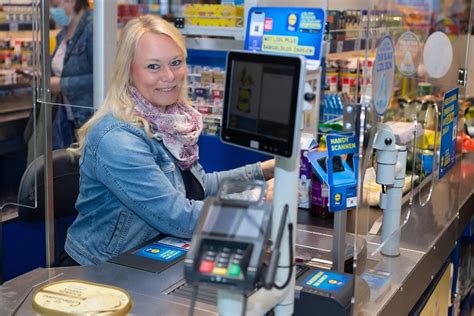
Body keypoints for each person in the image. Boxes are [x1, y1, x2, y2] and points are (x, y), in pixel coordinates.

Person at [61, 15, 274, 266]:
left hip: (150, 258)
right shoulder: (117, 139)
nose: (170, 76)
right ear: (128, 71)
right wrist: (256, 201)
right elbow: (178, 218)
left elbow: (201, 185)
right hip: (102, 271)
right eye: (153, 66)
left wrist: (263, 171)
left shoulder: (173, 120)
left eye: (176, 62)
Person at [25, 0, 94, 164]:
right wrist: (43, 77)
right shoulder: (62, 35)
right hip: (66, 120)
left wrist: (61, 84)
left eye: (55, 6)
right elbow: (60, 71)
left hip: (88, 119)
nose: (53, 12)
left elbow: (104, 78)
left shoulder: (93, 29)